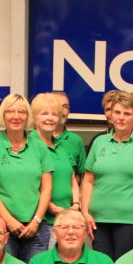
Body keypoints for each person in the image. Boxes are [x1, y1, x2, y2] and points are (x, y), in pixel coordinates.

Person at [82, 91, 133, 260]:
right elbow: (88, 180)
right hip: (98, 221)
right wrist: (85, 213)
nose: (121, 118)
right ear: (110, 114)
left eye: (127, 113)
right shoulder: (99, 142)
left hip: (131, 220)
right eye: (117, 112)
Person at [0, 93, 54, 262]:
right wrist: (9, 221)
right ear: (2, 115)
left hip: (35, 227)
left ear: (28, 116)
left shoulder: (39, 147)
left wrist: (36, 220)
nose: (16, 116)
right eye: (10, 111)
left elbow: (47, 188)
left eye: (21, 112)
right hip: (1, 228)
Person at [31, 93, 84, 247]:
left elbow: (72, 178)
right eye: (44, 113)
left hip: (67, 220)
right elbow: (30, 184)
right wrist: (51, 207)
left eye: (54, 114)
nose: (50, 118)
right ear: (34, 117)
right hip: (44, 222)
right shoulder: (30, 144)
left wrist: (76, 204)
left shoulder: (61, 146)